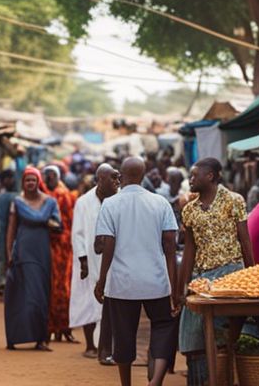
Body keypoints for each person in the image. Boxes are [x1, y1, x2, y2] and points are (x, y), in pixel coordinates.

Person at [95, 156, 178, 386]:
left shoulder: (110, 204)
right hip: (156, 281)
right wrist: (175, 286)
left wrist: (101, 281)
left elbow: (108, 244)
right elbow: (170, 245)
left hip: (123, 284)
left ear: (120, 176)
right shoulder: (160, 202)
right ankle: (156, 381)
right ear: (143, 175)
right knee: (163, 325)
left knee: (123, 335)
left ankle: (127, 384)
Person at [176, 157, 247, 384]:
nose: (191, 179)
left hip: (231, 275)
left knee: (223, 336)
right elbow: (189, 250)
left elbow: (245, 241)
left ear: (210, 176)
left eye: (195, 175)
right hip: (202, 280)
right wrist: (182, 287)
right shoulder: (190, 210)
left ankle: (223, 378)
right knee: (193, 334)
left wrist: (253, 274)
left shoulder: (233, 201)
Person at [5, 167, 62, 351]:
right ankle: (15, 337)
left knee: (40, 296)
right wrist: (8, 253)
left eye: (33, 180)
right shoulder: (18, 202)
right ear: (23, 182)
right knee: (21, 295)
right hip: (23, 252)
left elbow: (58, 226)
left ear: (39, 182)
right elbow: (11, 229)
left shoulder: (50, 202)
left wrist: (50, 223)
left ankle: (40, 339)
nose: (30, 183)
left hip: (42, 253)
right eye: (27, 180)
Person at [70, 163, 120, 359]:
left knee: (111, 303)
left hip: (113, 261)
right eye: (113, 178)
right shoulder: (83, 202)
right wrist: (82, 260)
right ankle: (90, 345)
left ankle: (108, 346)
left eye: (118, 177)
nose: (117, 182)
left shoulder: (120, 199)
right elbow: (78, 234)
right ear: (100, 180)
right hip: (88, 261)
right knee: (87, 301)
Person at [43, 164, 77, 342]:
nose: (49, 179)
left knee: (63, 287)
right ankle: (52, 327)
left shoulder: (63, 195)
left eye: (51, 176)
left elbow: (69, 222)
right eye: (46, 176)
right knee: (51, 286)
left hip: (63, 246)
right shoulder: (46, 194)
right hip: (49, 244)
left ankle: (63, 326)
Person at [0, 169, 18, 288]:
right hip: (2, 229)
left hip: (12, 230)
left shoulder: (14, 196)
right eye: (8, 178)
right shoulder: (3, 196)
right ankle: (3, 281)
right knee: (2, 254)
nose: (10, 181)